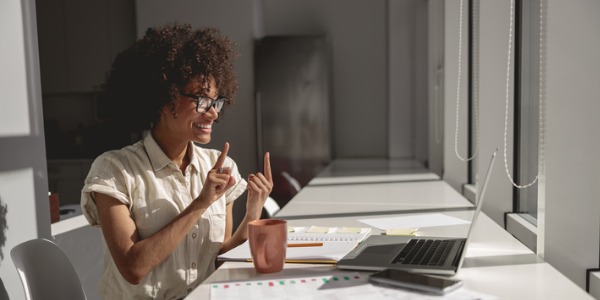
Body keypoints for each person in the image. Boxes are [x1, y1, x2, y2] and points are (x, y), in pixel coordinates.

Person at [81, 23, 273, 299]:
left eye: (215, 102)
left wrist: (253, 212)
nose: (213, 115)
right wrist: (200, 203)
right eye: (200, 101)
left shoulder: (220, 167)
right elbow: (134, 268)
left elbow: (219, 261)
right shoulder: (114, 171)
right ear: (163, 97)